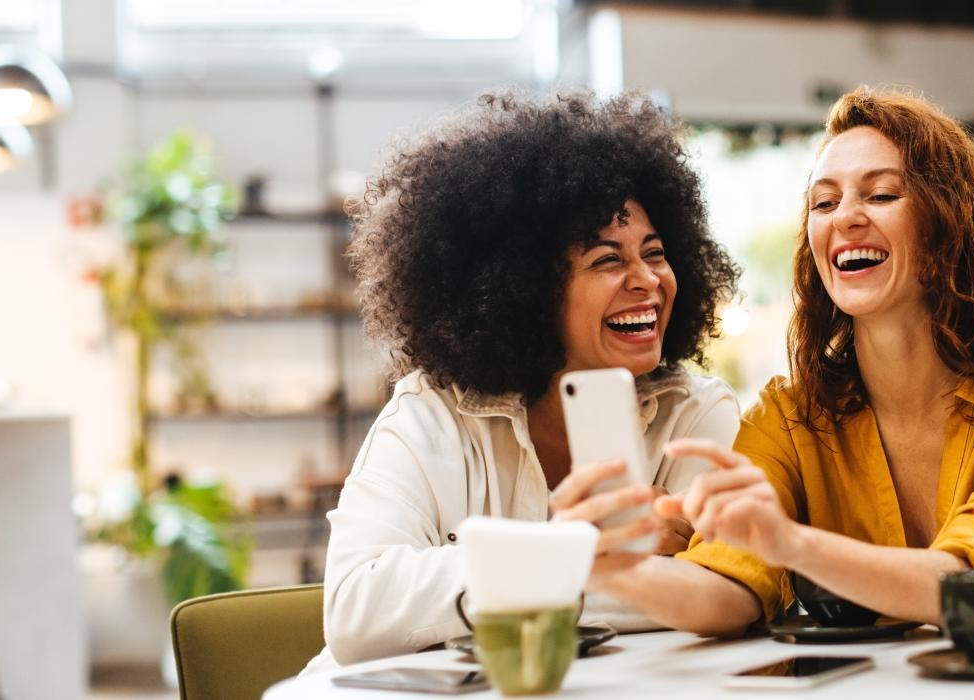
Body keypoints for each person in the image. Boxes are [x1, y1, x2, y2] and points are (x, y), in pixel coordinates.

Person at [563, 86, 974, 635]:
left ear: (948, 225)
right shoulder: (787, 416)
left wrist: (789, 542)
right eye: (824, 202)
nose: (845, 218)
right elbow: (726, 592)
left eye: (880, 195)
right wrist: (616, 569)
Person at [310, 91, 742, 666]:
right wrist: (571, 550)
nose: (647, 280)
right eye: (606, 260)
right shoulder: (431, 413)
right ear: (527, 290)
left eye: (655, 252)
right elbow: (356, 612)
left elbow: (726, 597)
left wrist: (502, 579)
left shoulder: (696, 412)